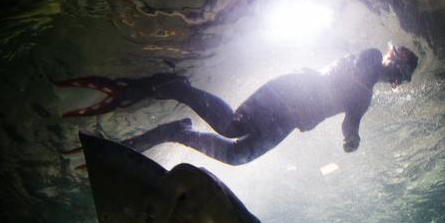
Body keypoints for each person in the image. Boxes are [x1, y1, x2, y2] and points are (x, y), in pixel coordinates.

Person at [57, 45, 418, 165]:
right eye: (400, 69)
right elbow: (362, 65)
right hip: (288, 93)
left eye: (401, 77)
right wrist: (381, 68)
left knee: (236, 156)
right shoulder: (369, 57)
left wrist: (350, 139)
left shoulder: (364, 98)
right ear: (394, 59)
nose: (397, 80)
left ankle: (178, 132)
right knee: (231, 126)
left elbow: (351, 122)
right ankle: (179, 89)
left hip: (289, 121)